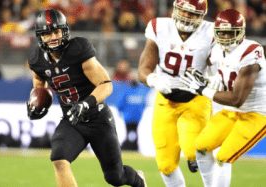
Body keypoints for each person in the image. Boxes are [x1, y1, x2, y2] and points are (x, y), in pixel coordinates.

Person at [26, 9, 146, 187]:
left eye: (56, 31)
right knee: (59, 158)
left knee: (115, 177)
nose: (52, 37)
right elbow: (39, 83)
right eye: (47, 33)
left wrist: (85, 104)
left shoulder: (78, 50)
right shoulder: (37, 59)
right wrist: (36, 101)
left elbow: (106, 84)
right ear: (40, 37)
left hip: (98, 118)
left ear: (64, 31)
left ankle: (139, 179)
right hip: (72, 121)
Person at [180, 9, 266, 187]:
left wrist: (204, 90)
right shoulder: (218, 51)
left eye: (230, 32)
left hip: (257, 113)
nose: (226, 37)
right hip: (232, 112)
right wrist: (209, 80)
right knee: (201, 147)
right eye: (222, 32)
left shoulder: (251, 51)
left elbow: (237, 99)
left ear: (241, 32)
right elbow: (224, 77)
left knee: (223, 157)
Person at [138, 0, 214, 186]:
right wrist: (153, 79)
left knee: (193, 151)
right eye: (183, 11)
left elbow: (220, 68)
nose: (186, 16)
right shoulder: (160, 27)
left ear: (202, 16)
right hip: (165, 101)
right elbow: (143, 69)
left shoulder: (211, 33)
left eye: (192, 13)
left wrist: (210, 81)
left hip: (195, 99)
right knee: (165, 164)